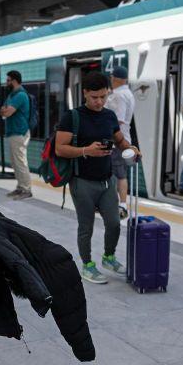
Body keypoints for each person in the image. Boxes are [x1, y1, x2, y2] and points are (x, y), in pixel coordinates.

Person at [54, 71, 141, 284]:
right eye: (95, 97)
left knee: (114, 223)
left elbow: (119, 140)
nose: (99, 101)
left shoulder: (109, 115)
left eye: (103, 96)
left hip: (106, 180)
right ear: (85, 93)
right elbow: (60, 149)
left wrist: (131, 149)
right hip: (82, 181)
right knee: (87, 226)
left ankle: (108, 257)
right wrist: (86, 151)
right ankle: (87, 265)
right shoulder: (72, 116)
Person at [105, 66, 136, 218]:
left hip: (117, 140)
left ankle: (120, 206)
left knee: (117, 173)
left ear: (116, 78)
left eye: (112, 77)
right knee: (120, 173)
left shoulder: (118, 95)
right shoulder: (128, 93)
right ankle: (120, 204)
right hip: (123, 138)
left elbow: (118, 120)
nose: (110, 80)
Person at [0, 70, 32, 199]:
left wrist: (5, 111)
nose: (6, 83)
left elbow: (6, 113)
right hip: (13, 132)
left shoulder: (20, 95)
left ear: (14, 80)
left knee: (20, 162)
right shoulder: (12, 95)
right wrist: (5, 110)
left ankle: (26, 189)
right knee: (15, 162)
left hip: (19, 132)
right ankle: (20, 187)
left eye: (8, 80)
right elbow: (2, 110)